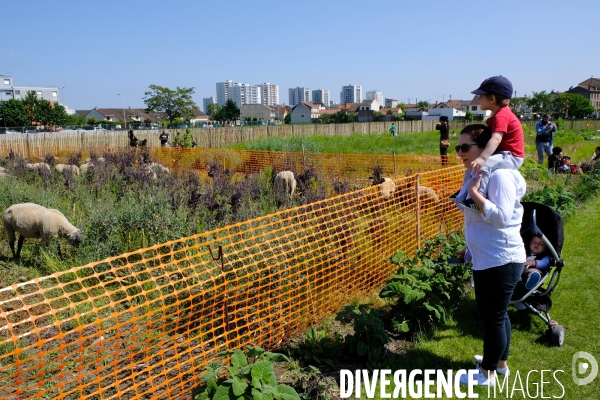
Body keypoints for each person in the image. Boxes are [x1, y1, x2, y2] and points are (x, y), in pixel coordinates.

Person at [454, 124, 526, 386]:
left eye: (465, 147)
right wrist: (470, 247)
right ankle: (500, 364)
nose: (459, 153)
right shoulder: (476, 173)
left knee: (492, 317)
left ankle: (487, 374)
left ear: (484, 148)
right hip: (489, 257)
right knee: (498, 314)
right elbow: (477, 221)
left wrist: (474, 193)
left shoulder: (500, 177)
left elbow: (501, 217)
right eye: (457, 147)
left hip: (501, 259)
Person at [457, 76, 525, 212]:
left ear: (492, 99)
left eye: (481, 96)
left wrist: (482, 158)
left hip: (511, 156)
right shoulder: (498, 115)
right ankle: (463, 194)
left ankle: (478, 197)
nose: (478, 99)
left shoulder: (502, 115)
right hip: (503, 154)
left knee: (484, 165)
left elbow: (496, 139)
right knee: (471, 167)